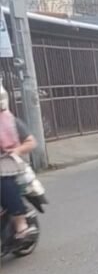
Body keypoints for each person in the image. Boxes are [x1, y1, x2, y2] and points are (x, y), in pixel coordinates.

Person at [0, 84, 38, 240]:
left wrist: (16, 151)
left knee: (4, 183)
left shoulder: (10, 122)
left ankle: (21, 224)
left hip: (8, 163)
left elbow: (31, 142)